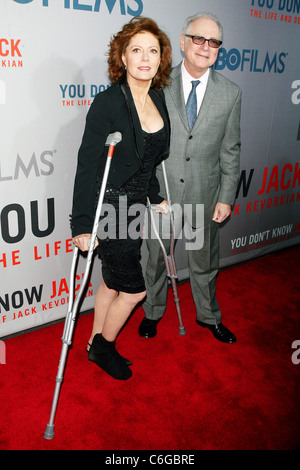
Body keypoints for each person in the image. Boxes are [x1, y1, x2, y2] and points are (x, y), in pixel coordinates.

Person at [71, 17, 171, 380]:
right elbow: (86, 166)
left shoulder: (157, 97)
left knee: (111, 282)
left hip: (136, 207)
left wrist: (156, 196)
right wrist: (82, 224)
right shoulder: (108, 102)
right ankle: (103, 347)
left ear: (161, 58)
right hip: (111, 209)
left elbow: (150, 160)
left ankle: (95, 339)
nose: (145, 58)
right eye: (136, 50)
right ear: (123, 57)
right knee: (134, 291)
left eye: (153, 51)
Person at [139, 12, 241, 343]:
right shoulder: (157, 84)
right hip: (163, 195)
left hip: (205, 194)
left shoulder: (231, 93)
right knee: (154, 259)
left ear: (218, 49)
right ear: (183, 42)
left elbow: (231, 149)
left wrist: (226, 196)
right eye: (198, 38)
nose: (205, 46)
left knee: (204, 262)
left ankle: (208, 316)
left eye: (213, 42)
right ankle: (152, 312)